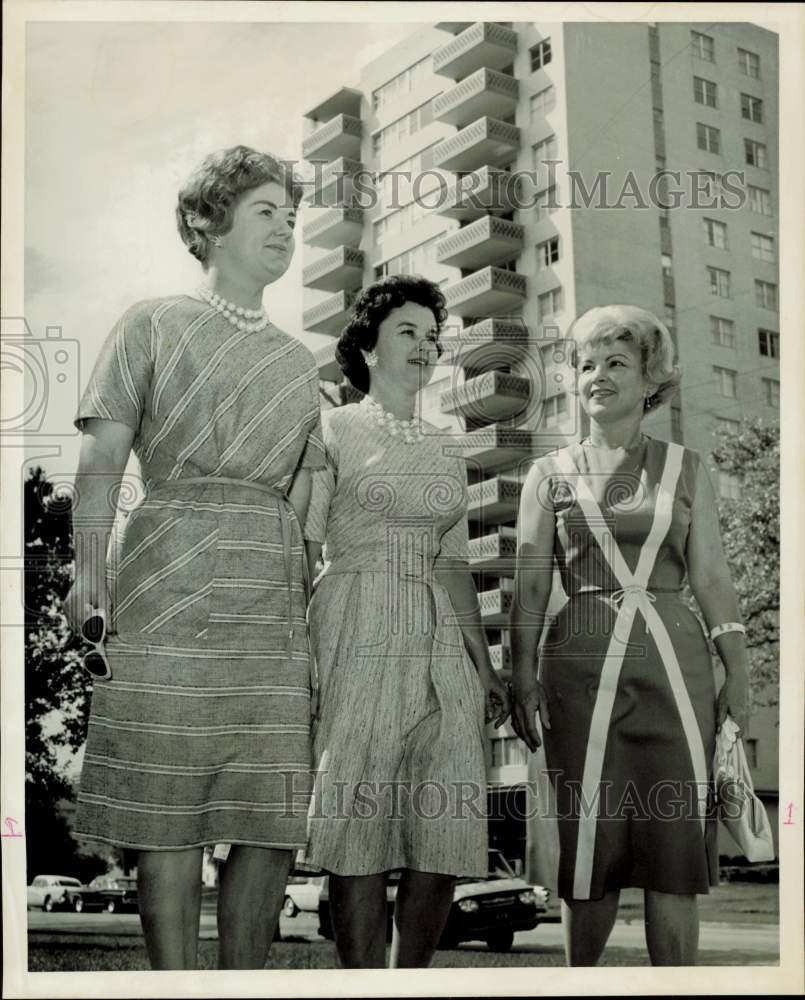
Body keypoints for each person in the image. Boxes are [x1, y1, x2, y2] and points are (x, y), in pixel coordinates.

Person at [64, 146, 325, 970]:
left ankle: (240, 982)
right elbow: (101, 464)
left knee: (268, 805)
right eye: (264, 211)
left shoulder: (298, 361)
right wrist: (87, 574)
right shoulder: (150, 322)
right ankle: (174, 986)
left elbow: (311, 500)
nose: (285, 226)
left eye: (292, 214)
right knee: (165, 800)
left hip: (271, 591)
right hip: (167, 572)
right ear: (208, 225)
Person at [510, 304, 750, 966]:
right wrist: (518, 675)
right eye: (585, 364)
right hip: (578, 676)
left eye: (616, 362)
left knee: (675, 858)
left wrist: (741, 675)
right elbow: (529, 588)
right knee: (588, 850)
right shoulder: (547, 474)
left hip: (676, 673)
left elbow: (713, 580)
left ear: (651, 379)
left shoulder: (686, 469)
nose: (596, 376)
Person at [300, 275, 511, 968]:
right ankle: (362, 982)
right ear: (365, 345)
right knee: (356, 814)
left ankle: (408, 979)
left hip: (439, 636)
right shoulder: (330, 426)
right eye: (407, 333)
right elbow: (305, 542)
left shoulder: (449, 444)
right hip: (356, 618)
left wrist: (486, 669)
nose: (425, 348)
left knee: (445, 826)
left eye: (431, 336)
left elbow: (454, 564)